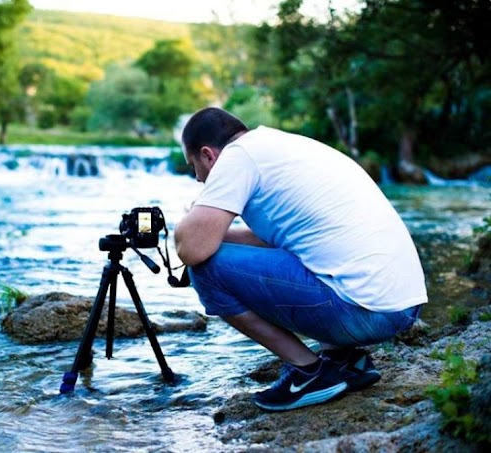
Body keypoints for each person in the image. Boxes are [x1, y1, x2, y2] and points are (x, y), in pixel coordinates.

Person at [174, 107, 427, 411]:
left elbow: (193, 250)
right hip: (402, 306)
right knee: (295, 252)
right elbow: (268, 241)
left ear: (208, 155)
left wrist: (187, 222)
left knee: (206, 269)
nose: (198, 178)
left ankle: (310, 371)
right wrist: (211, 229)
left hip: (365, 313)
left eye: (194, 167)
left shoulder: (236, 157)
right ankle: (345, 361)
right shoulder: (282, 146)